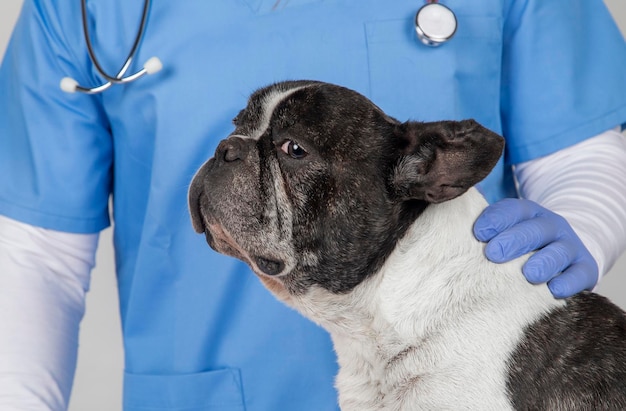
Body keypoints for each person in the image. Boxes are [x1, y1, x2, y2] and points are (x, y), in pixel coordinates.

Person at [1, 1, 625, 410]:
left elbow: (581, 150)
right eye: (239, 137)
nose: (233, 155)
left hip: (474, 357)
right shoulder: (78, 12)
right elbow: (32, 251)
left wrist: (584, 227)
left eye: (292, 149)